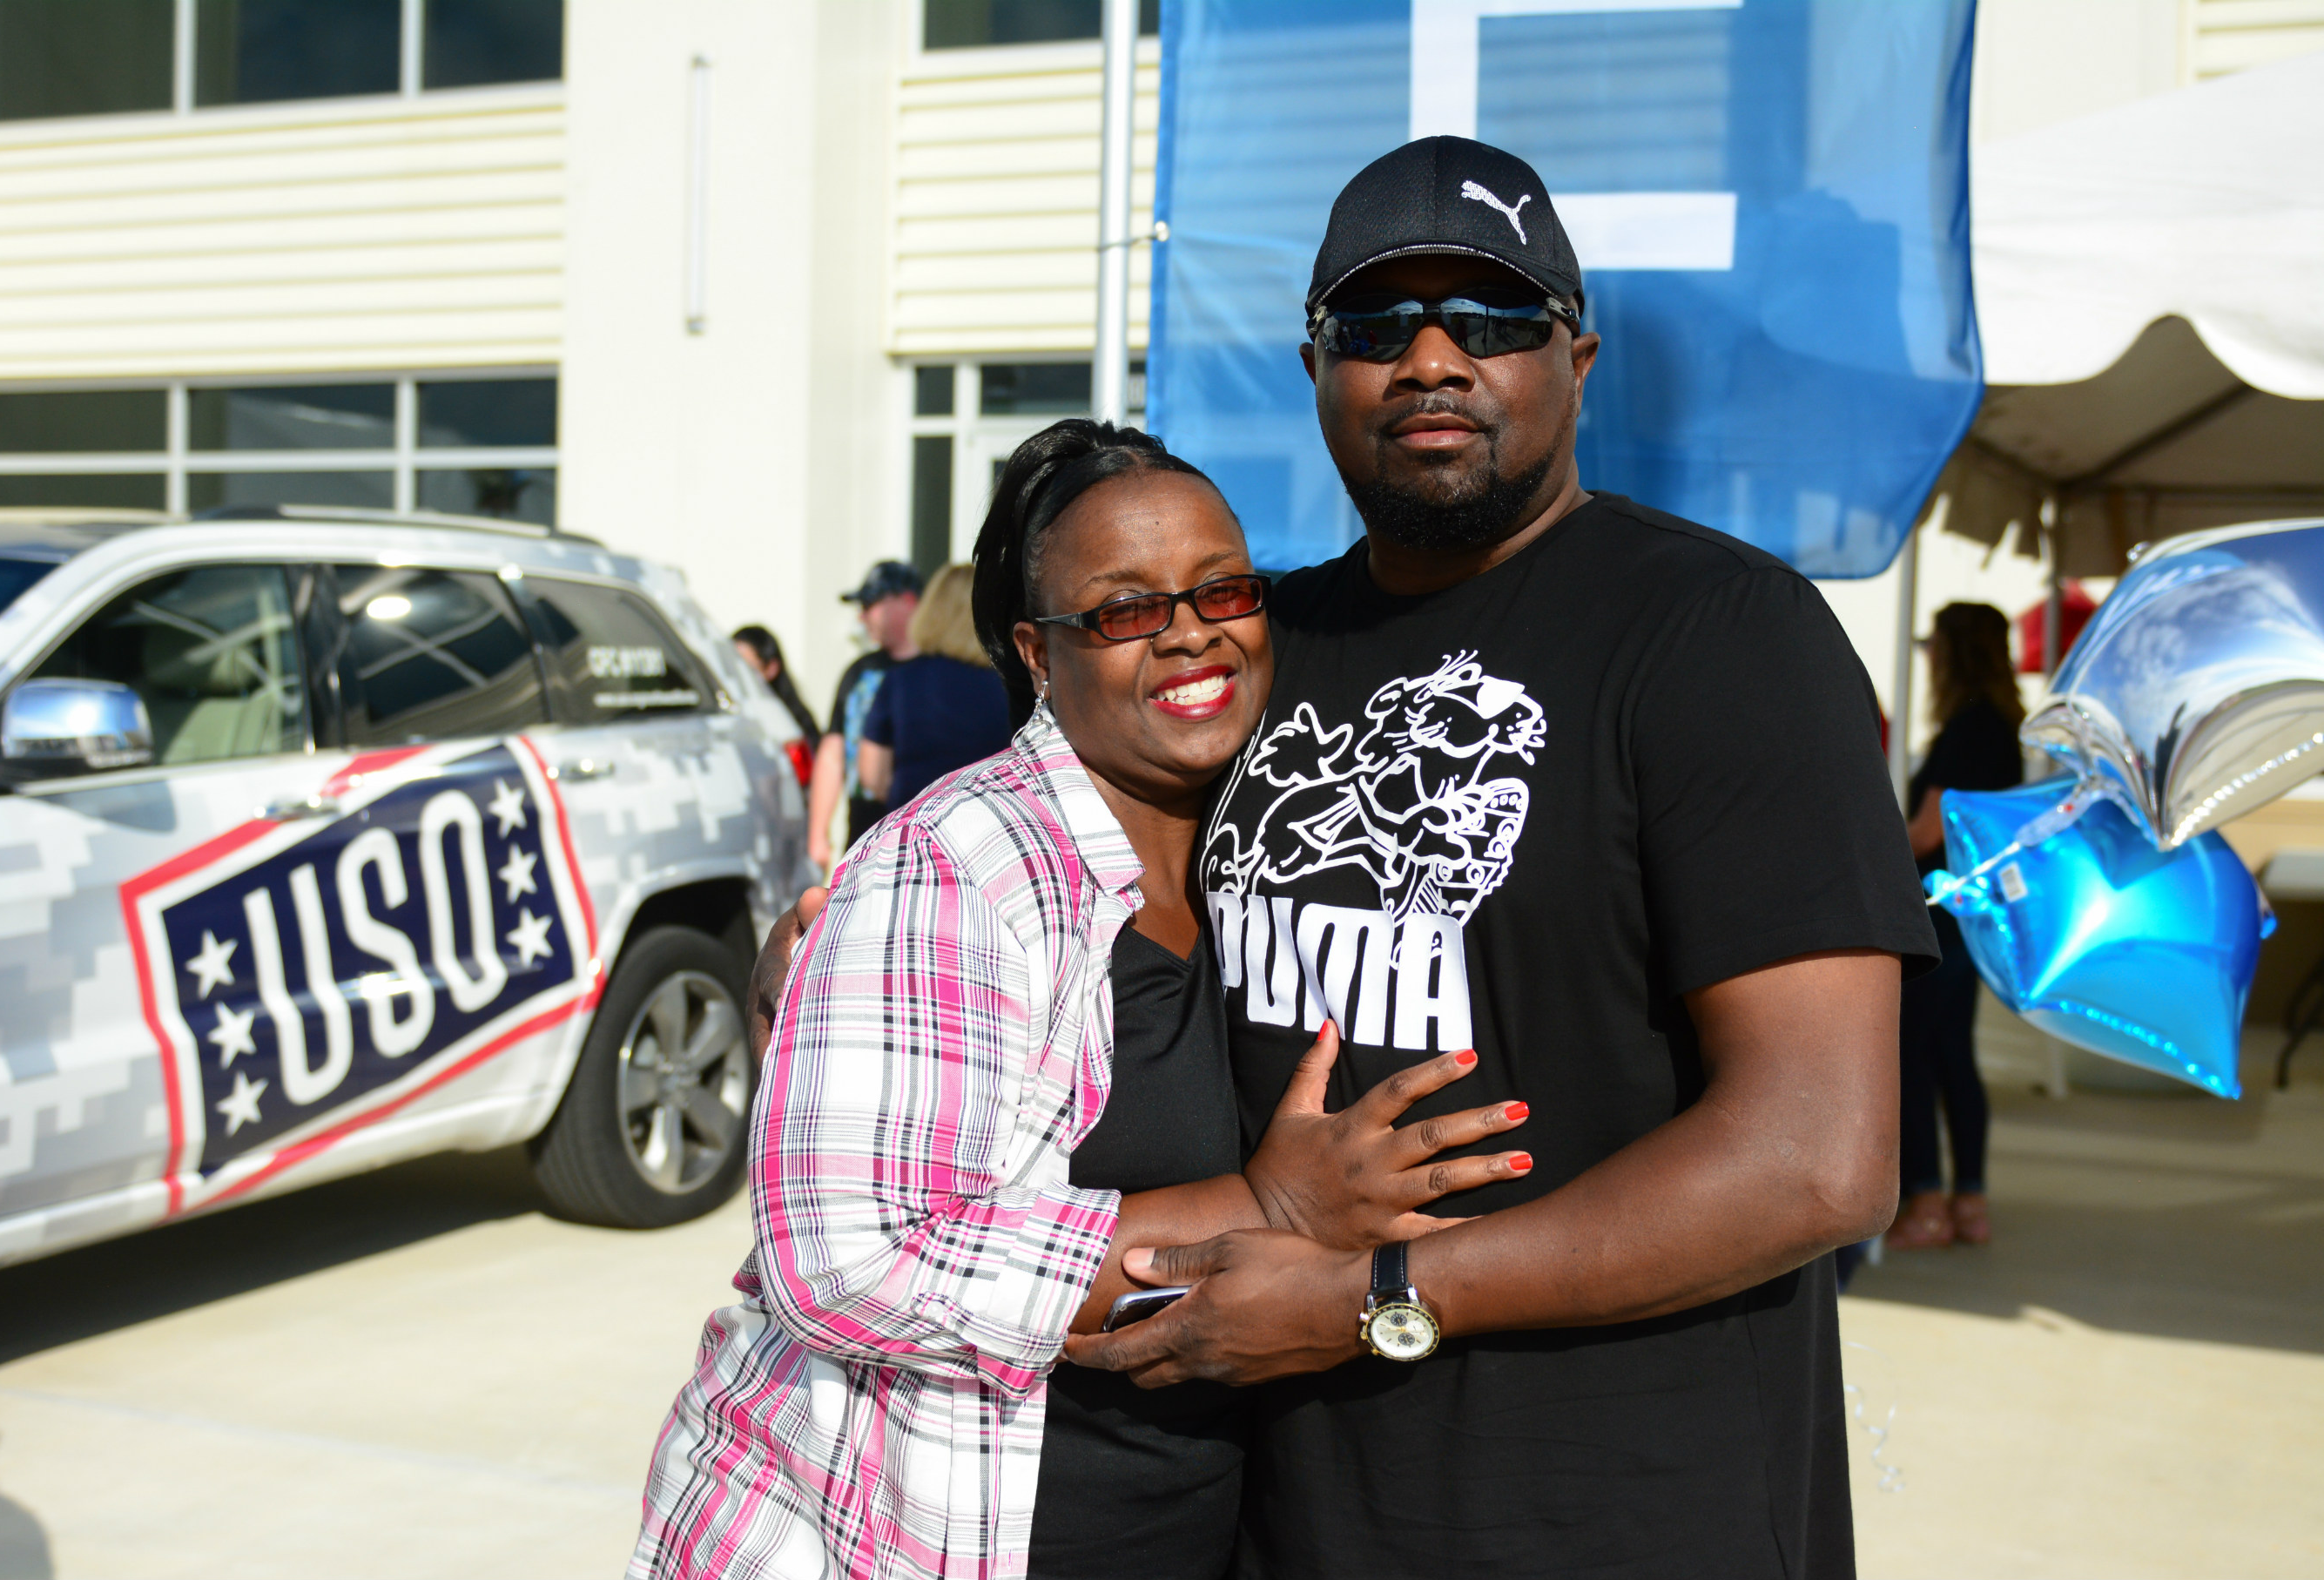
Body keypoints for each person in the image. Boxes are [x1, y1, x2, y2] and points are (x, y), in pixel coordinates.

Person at [1048, 137, 1939, 1580]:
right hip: (1285, 1508)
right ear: (1319, 365)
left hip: (1628, 1513)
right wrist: (845, 932)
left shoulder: (1722, 635)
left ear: (1576, 357)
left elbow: (1818, 1159)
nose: (1433, 357)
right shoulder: (1262, 641)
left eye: (1496, 318)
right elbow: (1062, 862)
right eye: (1377, 323)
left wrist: (1376, 1295)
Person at [631, 422, 1532, 1580]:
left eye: (1222, 588)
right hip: (921, 1530)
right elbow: (846, 1258)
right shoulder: (959, 864)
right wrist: (1263, 1204)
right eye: (1124, 609)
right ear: (1038, 652)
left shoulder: (1256, 837)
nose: (1190, 630)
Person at [1884, 602, 2024, 1250]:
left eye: (1934, 645)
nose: (1929, 657)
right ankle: (1969, 1203)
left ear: (1954, 652)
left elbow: (1926, 832)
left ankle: (1928, 1205)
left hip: (1937, 913)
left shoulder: (1969, 728)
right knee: (1951, 1058)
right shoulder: (1998, 726)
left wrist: (1862, 851)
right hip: (1969, 912)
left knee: (1912, 1060)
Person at [857, 564, 1012, 814]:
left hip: (915, 826)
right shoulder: (1011, 686)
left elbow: (872, 775)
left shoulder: (901, 681)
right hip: (989, 827)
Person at [807, 560, 921, 869]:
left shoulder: (943, 671)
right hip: (863, 834)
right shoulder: (860, 672)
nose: (862, 615)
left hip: (922, 833)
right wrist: (818, 833)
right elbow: (834, 751)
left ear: (907, 601)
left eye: (870, 604)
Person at [731, 623, 822, 743]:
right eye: (731, 667)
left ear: (771, 669)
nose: (737, 676)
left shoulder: (792, 724)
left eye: (748, 669)